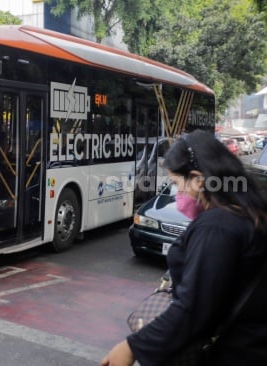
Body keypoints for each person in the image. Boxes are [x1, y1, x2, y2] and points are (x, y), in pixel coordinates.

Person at [101, 130, 267, 366]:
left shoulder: (217, 226)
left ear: (199, 179)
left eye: (178, 184)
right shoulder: (246, 215)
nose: (178, 194)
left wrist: (132, 346)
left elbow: (192, 308)